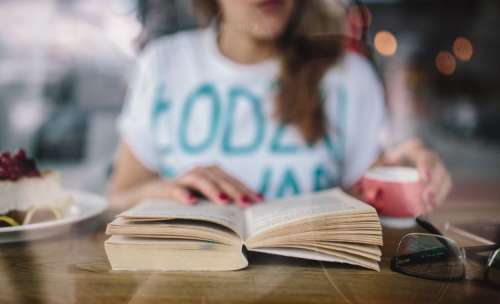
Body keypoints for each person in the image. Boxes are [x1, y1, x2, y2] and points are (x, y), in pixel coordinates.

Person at [108, 0, 451, 213]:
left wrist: (402, 176)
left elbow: (369, 201)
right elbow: (118, 198)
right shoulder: (164, 64)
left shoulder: (348, 75)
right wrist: (164, 192)